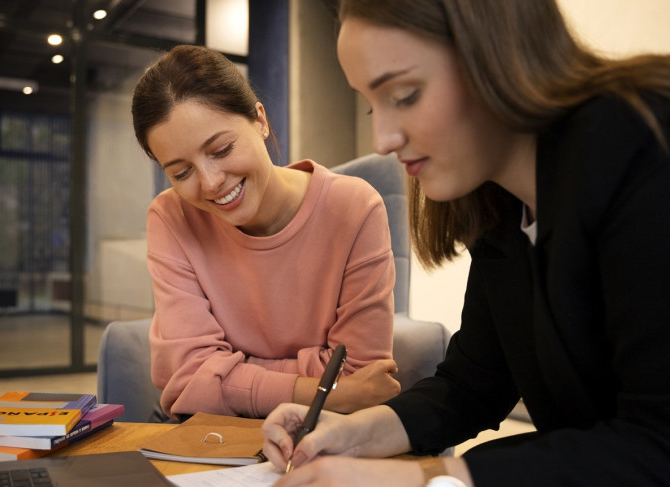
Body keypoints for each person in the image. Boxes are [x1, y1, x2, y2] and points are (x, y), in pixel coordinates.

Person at [261, 0, 670, 485]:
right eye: (374, 104)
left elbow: (656, 443)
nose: (383, 138)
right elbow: (475, 382)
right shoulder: (501, 207)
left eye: (406, 95)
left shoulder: (639, 142)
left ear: (497, 55)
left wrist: (418, 480)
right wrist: (355, 433)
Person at [131, 44, 402, 420]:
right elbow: (186, 378)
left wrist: (229, 373)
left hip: (327, 434)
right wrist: (323, 390)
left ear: (260, 119)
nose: (210, 184)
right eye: (181, 173)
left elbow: (360, 375)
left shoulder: (354, 208)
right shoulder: (171, 216)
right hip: (214, 435)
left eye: (222, 149)